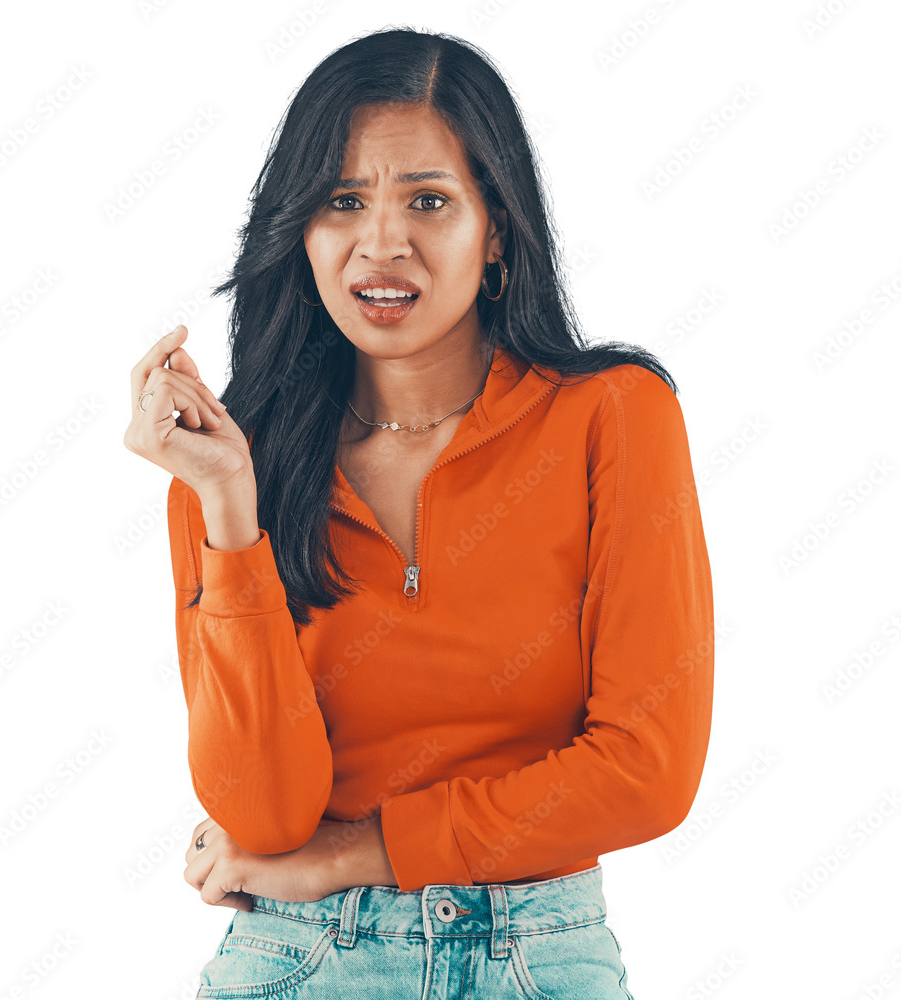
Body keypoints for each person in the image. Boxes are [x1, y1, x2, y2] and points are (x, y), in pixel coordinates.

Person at [124, 26, 713, 1000]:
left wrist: (357, 853)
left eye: (427, 201)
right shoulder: (236, 462)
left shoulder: (613, 415)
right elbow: (263, 818)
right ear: (300, 231)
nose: (380, 242)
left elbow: (645, 770)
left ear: (497, 231)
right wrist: (230, 508)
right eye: (342, 200)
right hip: (298, 959)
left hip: (536, 953)